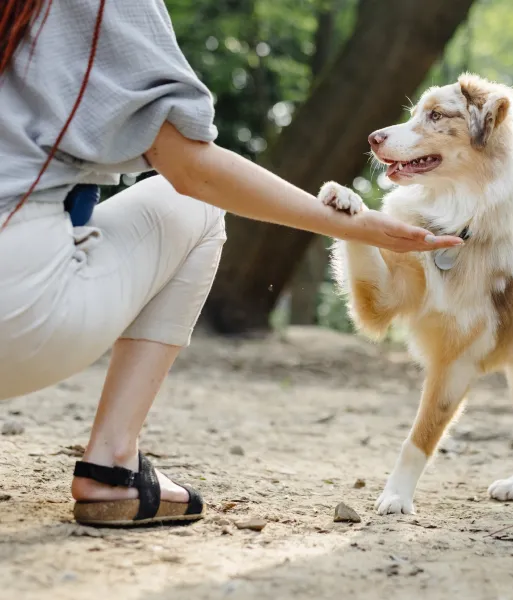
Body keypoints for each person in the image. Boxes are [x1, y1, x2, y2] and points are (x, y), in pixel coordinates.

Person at [0, 0, 462, 527]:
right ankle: (113, 467)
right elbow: (192, 170)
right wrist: (355, 227)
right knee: (193, 208)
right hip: (14, 313)